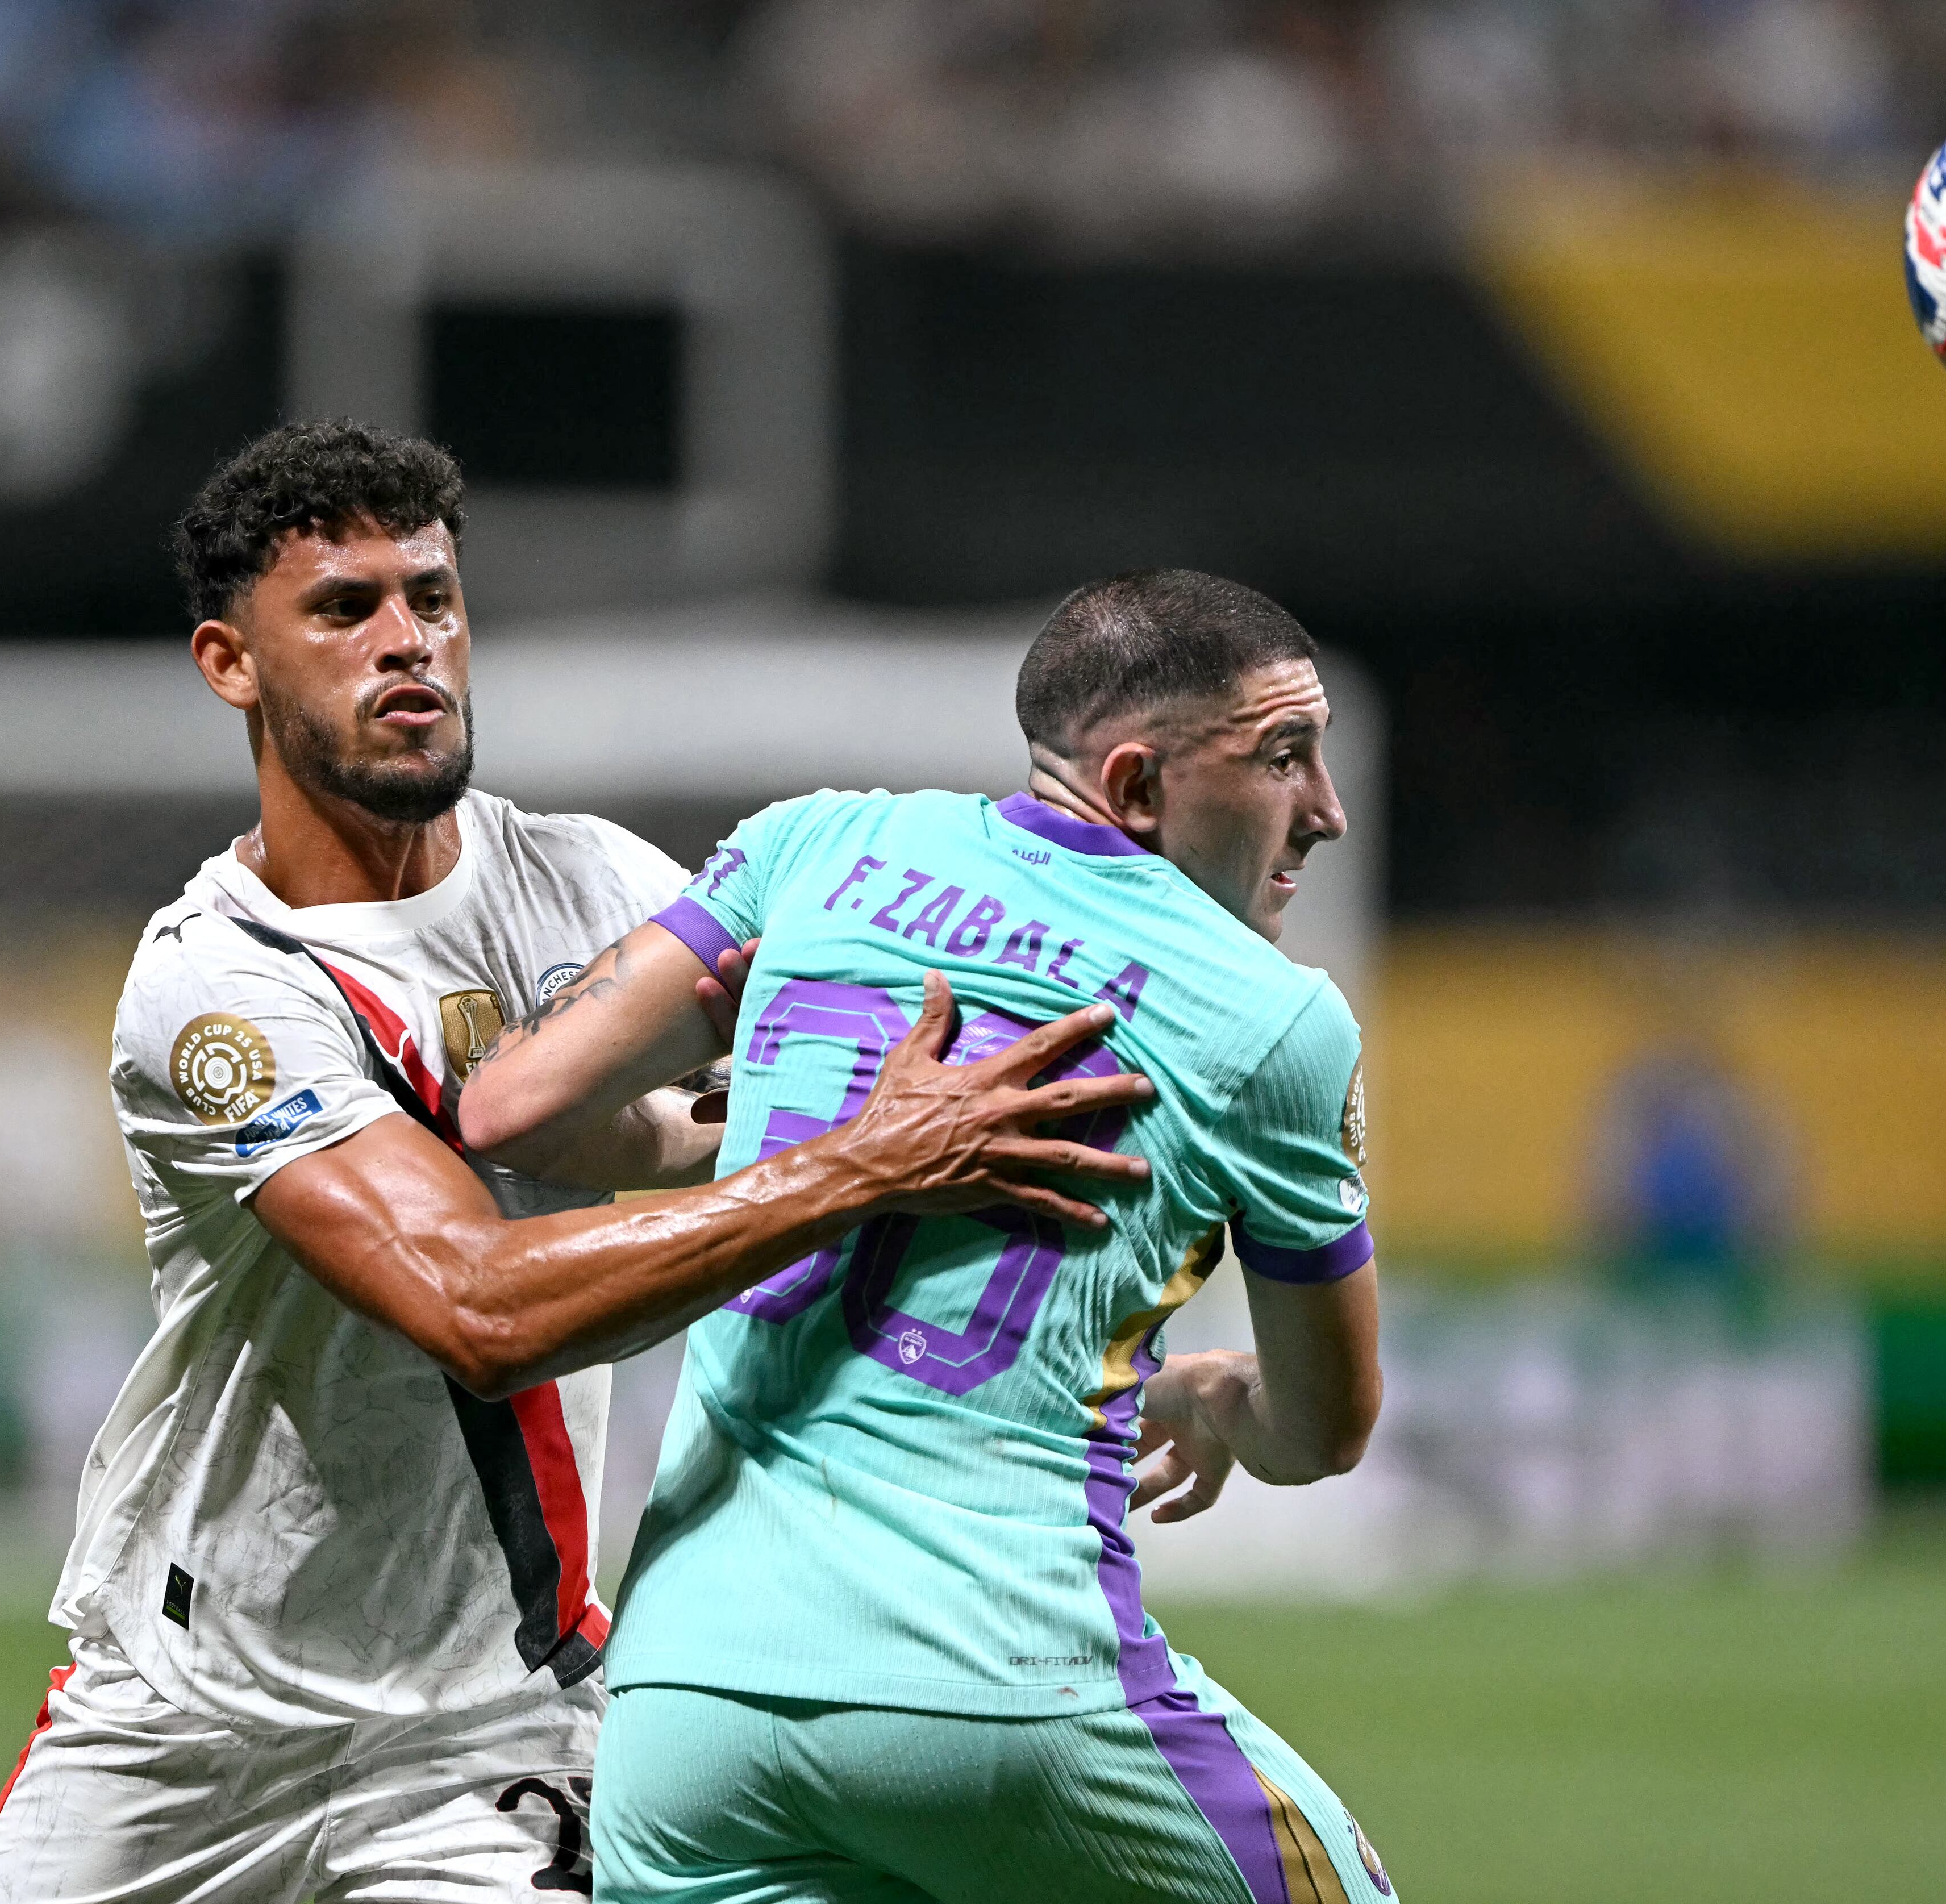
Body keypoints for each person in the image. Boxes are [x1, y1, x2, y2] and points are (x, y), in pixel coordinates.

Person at [0, 421, 1152, 1904]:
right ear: (231, 662)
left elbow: (853, 1115)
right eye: (345, 608)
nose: (408, 641)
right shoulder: (218, 985)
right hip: (181, 1722)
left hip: (494, 1734)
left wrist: (1106, 1320)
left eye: (432, 599)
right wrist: (853, 1168)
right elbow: (477, 1304)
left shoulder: (599, 893)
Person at [461, 567, 1399, 1904]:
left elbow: (510, 1107)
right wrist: (1223, 1401)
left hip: (683, 1708)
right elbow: (1322, 1430)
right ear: (1136, 785)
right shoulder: (1276, 1018)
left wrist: (782, 1097)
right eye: (1284, 755)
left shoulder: (814, 847)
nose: (1328, 807)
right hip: (999, 1687)